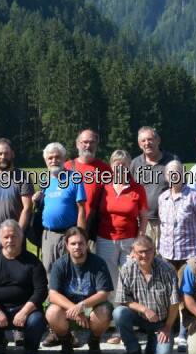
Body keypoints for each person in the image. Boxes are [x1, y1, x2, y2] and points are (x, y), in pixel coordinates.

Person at [0, 220, 48, 354]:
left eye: (14, 236)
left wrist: (24, 312)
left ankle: (30, 346)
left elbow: (41, 291)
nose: (10, 240)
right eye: (6, 237)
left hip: (26, 310)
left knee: (37, 320)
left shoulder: (33, 262)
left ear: (21, 237)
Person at [46, 227, 114, 354]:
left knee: (105, 311)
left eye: (81, 243)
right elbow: (53, 295)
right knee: (52, 312)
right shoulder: (60, 264)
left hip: (91, 307)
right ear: (67, 245)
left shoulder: (98, 263)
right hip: (68, 307)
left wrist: (81, 306)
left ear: (87, 244)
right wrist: (75, 309)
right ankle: (66, 340)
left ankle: (94, 341)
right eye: (73, 243)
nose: (77, 247)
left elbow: (103, 294)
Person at [96, 150, 149, 314]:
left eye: (124, 164)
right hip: (106, 239)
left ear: (129, 166)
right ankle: (113, 316)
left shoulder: (137, 188)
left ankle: (131, 315)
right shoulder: (104, 187)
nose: (120, 167)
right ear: (111, 166)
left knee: (131, 276)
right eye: (116, 164)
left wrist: (138, 242)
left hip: (129, 240)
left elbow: (144, 217)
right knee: (110, 278)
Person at [113, 236, 180, 354]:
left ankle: (152, 343)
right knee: (118, 313)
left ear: (154, 250)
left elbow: (174, 303)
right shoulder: (127, 269)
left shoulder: (167, 270)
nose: (144, 255)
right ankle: (133, 348)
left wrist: (167, 327)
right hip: (139, 317)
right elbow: (123, 298)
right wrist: (144, 309)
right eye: (140, 252)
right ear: (133, 252)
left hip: (161, 322)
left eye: (148, 251)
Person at [37, 142, 86, 273]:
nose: (54, 160)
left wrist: (80, 236)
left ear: (64, 159)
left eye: (57, 157)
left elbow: (81, 209)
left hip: (69, 234)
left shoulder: (74, 178)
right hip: (49, 234)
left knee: (70, 270)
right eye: (50, 158)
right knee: (48, 271)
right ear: (46, 161)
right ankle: (51, 294)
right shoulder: (44, 181)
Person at [157, 160, 196, 271]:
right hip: (167, 254)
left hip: (189, 254)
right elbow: (161, 225)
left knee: (187, 287)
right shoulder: (162, 198)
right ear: (166, 177)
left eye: (177, 172)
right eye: (170, 173)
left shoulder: (194, 196)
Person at [0, 138, 33, 253]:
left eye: (6, 153)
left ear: (12, 154)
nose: (3, 157)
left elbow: (27, 208)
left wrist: (18, 233)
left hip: (13, 235)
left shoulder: (23, 177)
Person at [131, 126, 178, 246]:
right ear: (139, 144)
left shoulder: (172, 161)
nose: (147, 143)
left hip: (166, 221)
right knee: (144, 255)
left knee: (164, 258)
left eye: (150, 139)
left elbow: (180, 189)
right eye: (143, 141)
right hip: (141, 222)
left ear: (158, 140)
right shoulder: (135, 164)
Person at [64, 129, 111, 242]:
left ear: (96, 145)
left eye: (92, 142)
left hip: (95, 228)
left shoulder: (105, 169)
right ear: (77, 144)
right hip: (69, 226)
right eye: (84, 142)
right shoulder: (66, 167)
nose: (88, 145)